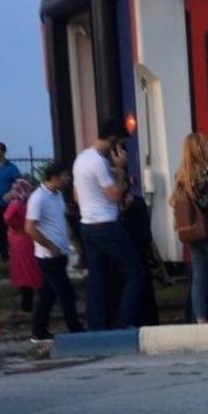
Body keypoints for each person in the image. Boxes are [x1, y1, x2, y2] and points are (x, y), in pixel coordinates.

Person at [73, 118, 143, 330]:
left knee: (97, 278)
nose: (120, 148)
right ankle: (124, 321)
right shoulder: (98, 162)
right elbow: (114, 195)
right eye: (119, 142)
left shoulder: (81, 159)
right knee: (135, 272)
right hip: (106, 225)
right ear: (113, 140)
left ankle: (95, 326)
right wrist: (120, 170)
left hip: (87, 225)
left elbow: (76, 197)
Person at [25, 162, 85, 341]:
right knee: (66, 292)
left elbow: (61, 221)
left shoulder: (57, 196)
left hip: (61, 253)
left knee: (48, 295)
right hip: (48, 256)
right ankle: (75, 328)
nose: (67, 179)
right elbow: (30, 228)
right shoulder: (38, 198)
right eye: (65, 176)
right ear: (54, 177)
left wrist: (74, 244)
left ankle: (39, 330)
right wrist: (50, 247)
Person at [170, 133, 208, 324]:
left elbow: (173, 202)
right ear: (200, 150)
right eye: (207, 146)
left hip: (191, 232)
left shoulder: (181, 175)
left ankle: (200, 321)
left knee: (198, 278)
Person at [119, 172, 160, 326]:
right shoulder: (138, 203)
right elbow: (146, 231)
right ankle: (148, 320)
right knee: (143, 285)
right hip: (139, 250)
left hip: (125, 251)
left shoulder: (113, 208)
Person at [4, 179, 43, 313]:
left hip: (18, 239)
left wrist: (16, 225)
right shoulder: (31, 203)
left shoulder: (15, 203)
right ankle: (42, 297)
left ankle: (27, 305)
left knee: (23, 271)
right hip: (30, 237)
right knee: (34, 268)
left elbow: (7, 218)